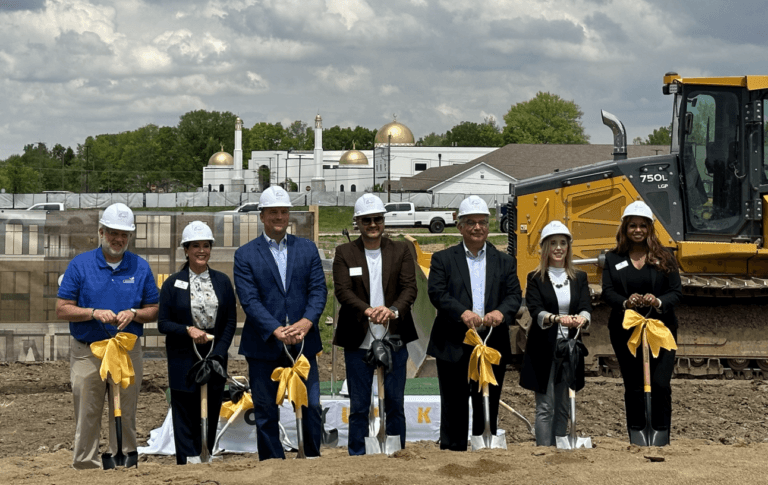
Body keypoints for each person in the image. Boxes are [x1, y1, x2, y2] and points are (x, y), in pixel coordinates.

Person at [56, 203, 159, 469]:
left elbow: (154, 309)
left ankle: (122, 459)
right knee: (88, 410)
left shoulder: (140, 267)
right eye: (113, 232)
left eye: (124, 234)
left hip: (126, 349)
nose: (118, 239)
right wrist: (92, 312)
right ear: (101, 232)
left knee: (125, 408)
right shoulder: (80, 265)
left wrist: (134, 314)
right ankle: (86, 463)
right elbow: (62, 308)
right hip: (88, 351)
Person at [233, 186, 328, 460]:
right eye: (273, 212)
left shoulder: (307, 249)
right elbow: (249, 300)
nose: (279, 217)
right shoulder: (246, 255)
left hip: (303, 343)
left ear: (289, 216)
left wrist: (306, 322)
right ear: (262, 216)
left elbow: (319, 290)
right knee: (265, 410)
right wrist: (276, 329)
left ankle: (310, 457)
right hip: (264, 346)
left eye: (283, 212)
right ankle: (273, 464)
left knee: (310, 405)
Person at [426, 195, 522, 451]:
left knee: (487, 399)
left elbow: (514, 295)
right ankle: (453, 451)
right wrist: (462, 313)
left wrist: (501, 313)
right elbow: (437, 292)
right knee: (454, 401)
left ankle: (484, 448)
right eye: (471, 223)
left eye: (482, 222)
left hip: (491, 342)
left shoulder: (505, 262)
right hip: (454, 341)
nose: (477, 227)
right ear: (460, 226)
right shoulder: (443, 260)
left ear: (488, 226)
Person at [332, 194, 418, 455]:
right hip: (357, 337)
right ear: (357, 222)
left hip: (394, 335)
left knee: (395, 402)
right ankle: (358, 453)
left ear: (383, 221)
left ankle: (396, 451)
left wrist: (392, 311)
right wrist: (367, 310)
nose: (372, 224)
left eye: (377, 219)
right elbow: (343, 291)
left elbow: (409, 288)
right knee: (359, 405)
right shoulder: (345, 252)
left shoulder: (400, 250)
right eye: (366, 219)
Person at [601, 201, 682, 443]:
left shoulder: (665, 256)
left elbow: (676, 292)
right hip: (626, 330)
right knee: (634, 384)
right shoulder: (613, 258)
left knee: (660, 383)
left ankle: (661, 431)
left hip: (662, 329)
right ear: (625, 228)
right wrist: (626, 302)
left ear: (650, 228)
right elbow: (607, 292)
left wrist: (657, 301)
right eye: (633, 225)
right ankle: (636, 431)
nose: (638, 230)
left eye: (642, 226)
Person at [158, 221, 237, 464]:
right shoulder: (173, 283)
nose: (201, 251)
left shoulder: (222, 281)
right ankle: (187, 459)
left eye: (206, 246)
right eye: (195, 246)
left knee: (211, 407)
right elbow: (163, 323)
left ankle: (206, 453)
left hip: (213, 353)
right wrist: (188, 330)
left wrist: (219, 353)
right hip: (184, 354)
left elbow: (230, 321)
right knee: (184, 408)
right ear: (186, 250)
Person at [519, 221, 591, 446]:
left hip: (569, 349)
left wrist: (582, 318)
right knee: (545, 406)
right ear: (545, 248)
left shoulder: (579, 277)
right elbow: (535, 308)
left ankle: (561, 449)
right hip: (543, 349)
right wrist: (556, 318)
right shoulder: (535, 277)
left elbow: (586, 306)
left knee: (563, 406)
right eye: (553, 244)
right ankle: (543, 451)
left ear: (568, 247)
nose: (558, 248)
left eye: (562, 243)